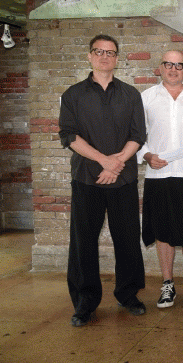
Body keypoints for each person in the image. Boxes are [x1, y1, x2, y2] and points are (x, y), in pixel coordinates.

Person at [59, 34, 147, 327]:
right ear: (89, 56)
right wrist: (103, 160)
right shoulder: (73, 95)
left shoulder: (131, 94)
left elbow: (138, 135)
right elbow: (69, 136)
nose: (104, 56)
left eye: (110, 52)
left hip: (123, 179)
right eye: (99, 51)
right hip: (87, 179)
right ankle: (85, 303)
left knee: (127, 239)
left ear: (117, 58)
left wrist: (116, 164)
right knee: (83, 242)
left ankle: (128, 295)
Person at [138, 51, 183, 308]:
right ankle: (167, 284)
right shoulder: (147, 97)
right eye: (169, 64)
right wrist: (147, 155)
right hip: (159, 174)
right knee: (162, 229)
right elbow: (137, 135)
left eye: (179, 65)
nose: (174, 69)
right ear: (160, 67)